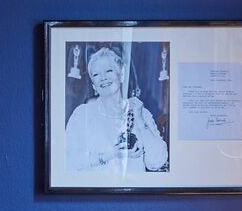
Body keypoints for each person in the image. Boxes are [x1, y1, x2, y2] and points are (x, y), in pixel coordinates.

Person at [64, 46, 169, 175]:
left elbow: (157, 162)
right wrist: (111, 154)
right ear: (93, 85)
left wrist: (140, 122)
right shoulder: (82, 114)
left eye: (108, 71)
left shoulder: (141, 112)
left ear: (122, 75)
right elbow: (68, 161)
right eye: (96, 74)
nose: (103, 77)